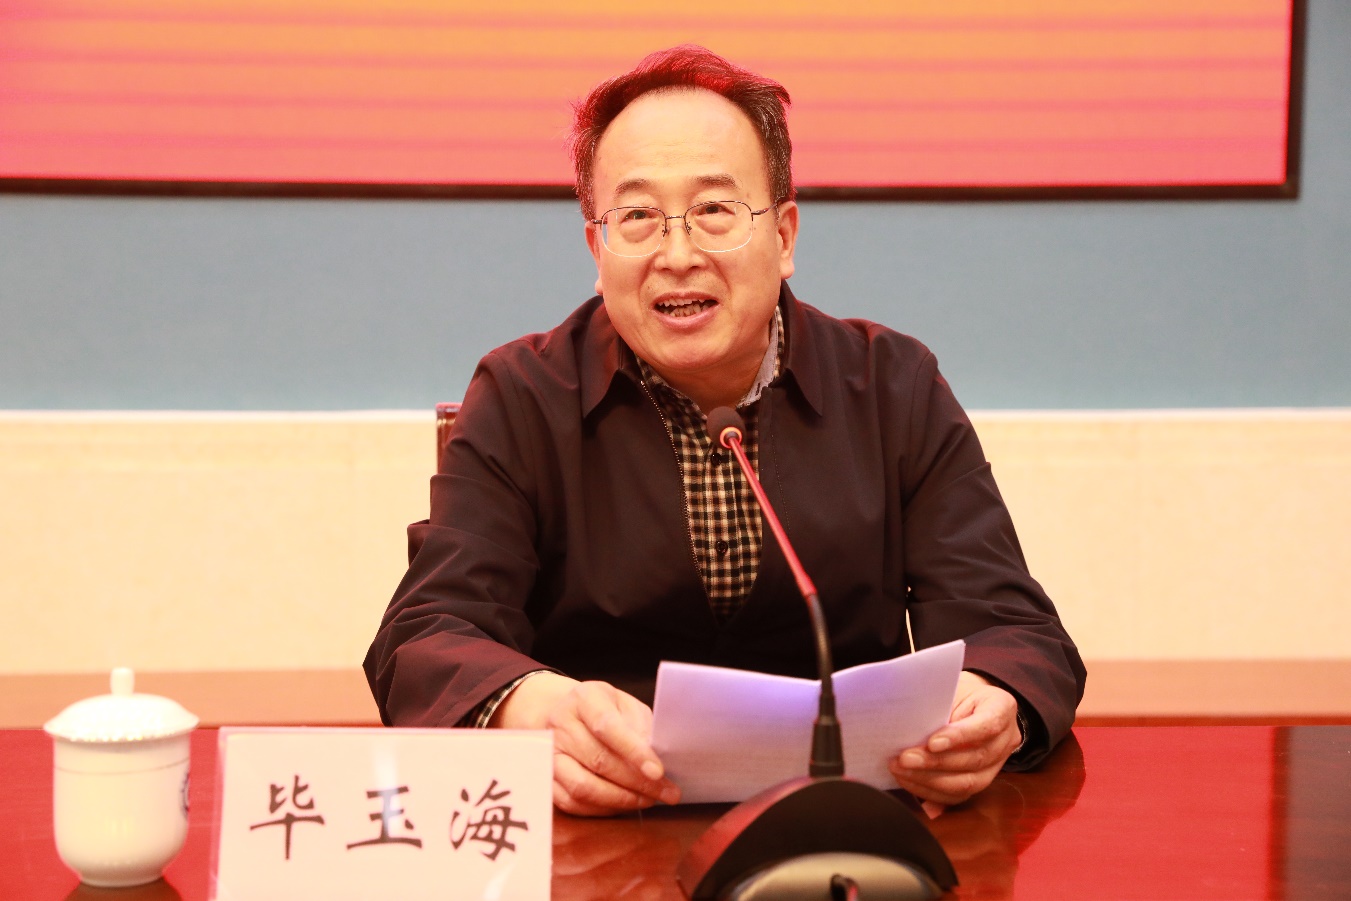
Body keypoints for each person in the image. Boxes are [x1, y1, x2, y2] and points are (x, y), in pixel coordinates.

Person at [365, 45, 1085, 818]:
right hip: (605, 822)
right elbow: (425, 633)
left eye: (713, 210)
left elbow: (1012, 629)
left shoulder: (891, 385)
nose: (677, 255)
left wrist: (989, 704)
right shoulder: (521, 395)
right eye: (637, 218)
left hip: (847, 823)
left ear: (784, 235)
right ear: (597, 249)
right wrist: (527, 703)